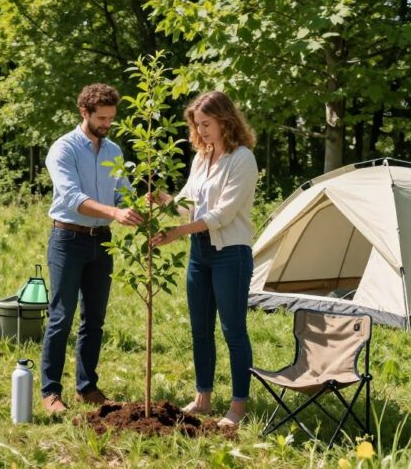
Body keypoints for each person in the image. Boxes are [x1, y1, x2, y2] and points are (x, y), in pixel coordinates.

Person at [149, 91, 258, 428]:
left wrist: (178, 232)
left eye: (207, 124)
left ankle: (238, 406)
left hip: (231, 255)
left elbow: (222, 214)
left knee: (233, 330)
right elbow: (189, 203)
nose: (202, 131)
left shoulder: (242, 159)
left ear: (226, 120)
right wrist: (164, 200)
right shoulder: (201, 158)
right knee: (200, 330)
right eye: (198, 125)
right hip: (201, 252)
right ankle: (203, 397)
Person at [40, 83, 143, 414]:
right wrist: (114, 212)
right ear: (84, 112)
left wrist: (143, 202)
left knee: (94, 318)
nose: (107, 124)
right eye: (102, 117)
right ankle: (50, 392)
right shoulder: (63, 149)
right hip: (68, 240)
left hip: (102, 241)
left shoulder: (113, 151)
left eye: (111, 118)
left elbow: (123, 194)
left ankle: (87, 386)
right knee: (61, 316)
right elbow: (71, 198)